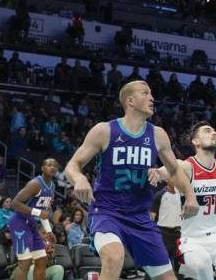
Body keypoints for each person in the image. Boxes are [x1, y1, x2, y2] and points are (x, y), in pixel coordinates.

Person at [64, 80, 199, 280]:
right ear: (130, 101)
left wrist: (190, 195)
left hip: (140, 217)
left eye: (151, 94)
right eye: (145, 93)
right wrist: (79, 178)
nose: (152, 98)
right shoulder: (105, 130)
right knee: (114, 256)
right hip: (107, 212)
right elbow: (72, 165)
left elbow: (175, 170)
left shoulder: (158, 135)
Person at [149, 121, 216, 280]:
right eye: (208, 131)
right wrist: (156, 172)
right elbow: (169, 169)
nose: (214, 133)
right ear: (196, 141)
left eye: (214, 131)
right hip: (194, 240)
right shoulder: (187, 166)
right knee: (202, 268)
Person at [8, 158, 58, 280]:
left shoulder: (52, 187)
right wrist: (38, 212)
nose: (52, 167)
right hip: (19, 223)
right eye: (49, 165)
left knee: (42, 260)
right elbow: (14, 203)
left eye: (55, 166)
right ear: (42, 168)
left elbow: (44, 212)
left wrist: (49, 230)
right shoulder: (35, 184)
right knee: (24, 263)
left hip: (31, 223)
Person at [149, 178, 182, 262]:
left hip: (178, 233)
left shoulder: (181, 195)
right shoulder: (160, 195)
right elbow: (152, 217)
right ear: (167, 180)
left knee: (180, 262)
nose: (176, 181)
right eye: (173, 179)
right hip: (163, 233)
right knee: (163, 261)